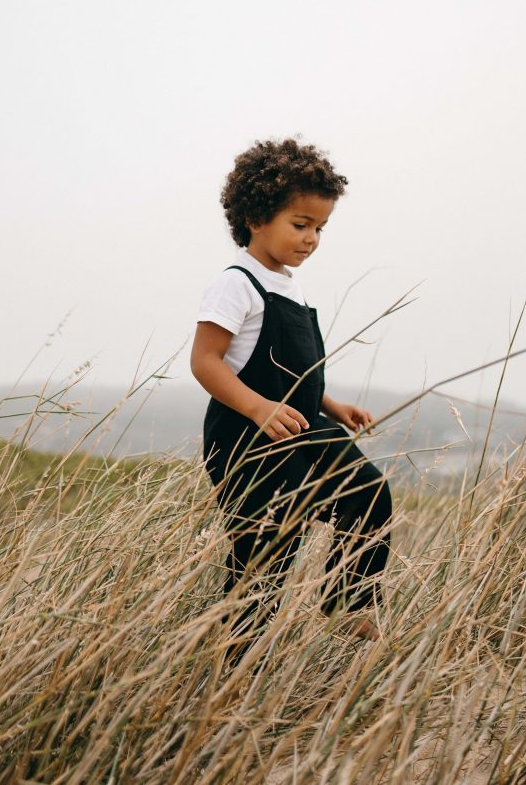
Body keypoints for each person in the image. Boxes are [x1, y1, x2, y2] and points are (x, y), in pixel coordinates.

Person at [190, 136, 392, 661]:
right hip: (244, 435)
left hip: (299, 425)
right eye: (300, 225)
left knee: (368, 492)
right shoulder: (235, 285)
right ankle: (237, 668)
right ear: (256, 216)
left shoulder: (290, 287)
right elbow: (206, 362)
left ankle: (347, 602)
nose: (311, 239)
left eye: (320, 228)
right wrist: (258, 408)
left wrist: (331, 405)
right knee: (267, 552)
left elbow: (294, 374)